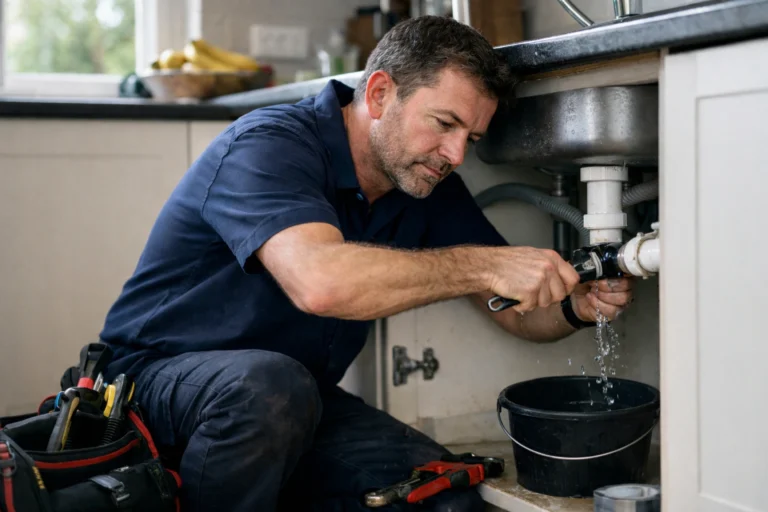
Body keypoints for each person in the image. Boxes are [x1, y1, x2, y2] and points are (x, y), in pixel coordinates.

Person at [99, 15, 633, 512]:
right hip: (150, 387)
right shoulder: (270, 146)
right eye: (444, 123)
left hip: (294, 402)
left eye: (468, 139)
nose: (454, 155)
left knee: (443, 493)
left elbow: (511, 310)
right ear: (379, 94)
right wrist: (483, 265)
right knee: (268, 386)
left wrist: (575, 310)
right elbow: (321, 285)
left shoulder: (425, 183)